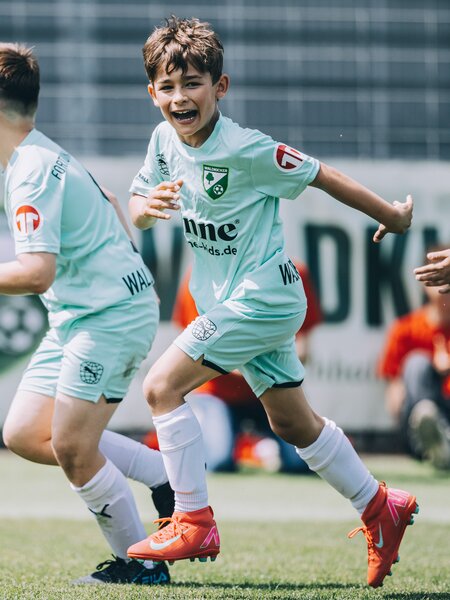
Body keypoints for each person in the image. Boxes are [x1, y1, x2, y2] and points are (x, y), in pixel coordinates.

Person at [126, 17, 418, 589]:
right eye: (168, 86)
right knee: (292, 423)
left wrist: (391, 215)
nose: (180, 97)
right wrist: (146, 207)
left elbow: (321, 175)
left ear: (220, 87)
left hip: (263, 298)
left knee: (160, 387)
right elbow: (138, 203)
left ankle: (192, 520)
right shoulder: (163, 141)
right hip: (231, 302)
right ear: (152, 93)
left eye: (193, 83)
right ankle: (380, 505)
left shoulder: (245, 148)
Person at [0, 43, 174, 586]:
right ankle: (162, 474)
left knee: (73, 447)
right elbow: (112, 206)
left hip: (107, 316)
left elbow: (36, 273)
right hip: (83, 316)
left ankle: (142, 564)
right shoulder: (37, 154)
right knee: (25, 433)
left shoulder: (29, 170)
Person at [170, 262, 322, 472]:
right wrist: (264, 363)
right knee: (219, 462)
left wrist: (246, 361)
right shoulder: (200, 274)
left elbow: (302, 348)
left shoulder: (289, 270)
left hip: (272, 388)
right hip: (218, 393)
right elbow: (195, 350)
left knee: (301, 463)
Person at [378, 253, 450, 469]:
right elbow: (394, 394)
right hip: (416, 421)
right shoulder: (406, 329)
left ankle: (442, 441)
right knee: (417, 364)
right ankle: (431, 434)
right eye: (439, 276)